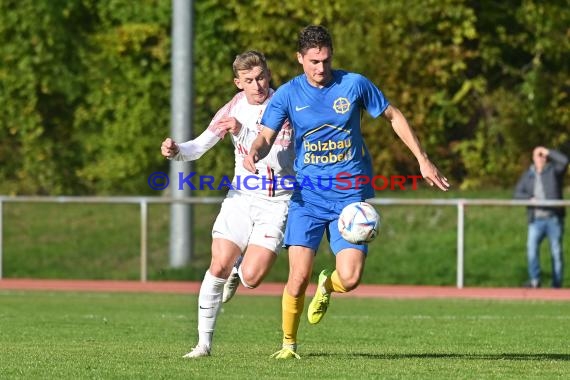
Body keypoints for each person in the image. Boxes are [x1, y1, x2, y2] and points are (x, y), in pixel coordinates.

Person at [243, 25, 450, 359]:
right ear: (300, 59)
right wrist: (254, 151)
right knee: (298, 277)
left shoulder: (354, 84)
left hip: (350, 200)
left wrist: (422, 160)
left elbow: (393, 115)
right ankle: (288, 346)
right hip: (307, 199)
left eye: (325, 60)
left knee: (350, 279)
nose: (320, 68)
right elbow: (265, 135)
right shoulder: (287, 94)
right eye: (313, 61)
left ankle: (327, 285)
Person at [161, 51, 295, 358]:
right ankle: (203, 345)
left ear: (269, 75)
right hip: (242, 197)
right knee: (217, 263)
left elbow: (276, 154)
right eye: (248, 80)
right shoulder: (234, 106)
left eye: (260, 77)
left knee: (252, 278)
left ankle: (240, 271)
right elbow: (199, 146)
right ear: (238, 83)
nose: (257, 84)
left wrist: (243, 131)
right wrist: (176, 150)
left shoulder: (285, 104)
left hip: (277, 203)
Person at [514, 146, 568, 289]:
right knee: (531, 249)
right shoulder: (528, 175)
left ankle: (557, 284)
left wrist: (548, 151)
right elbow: (517, 194)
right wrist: (529, 198)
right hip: (536, 220)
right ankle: (535, 280)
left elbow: (564, 161)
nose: (541, 158)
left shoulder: (553, 172)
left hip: (553, 219)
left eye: (543, 156)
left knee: (556, 252)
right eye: (538, 155)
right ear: (533, 158)